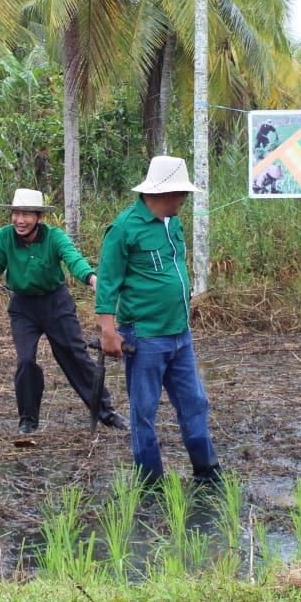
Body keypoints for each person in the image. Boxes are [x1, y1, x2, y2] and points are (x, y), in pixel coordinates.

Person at [97, 155, 221, 487]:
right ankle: (151, 482)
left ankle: (207, 473)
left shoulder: (174, 223)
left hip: (180, 334)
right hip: (145, 337)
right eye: (182, 192)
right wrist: (108, 331)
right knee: (145, 411)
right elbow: (108, 282)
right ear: (165, 192)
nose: (185, 199)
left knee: (195, 403)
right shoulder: (124, 228)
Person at [0, 189, 127, 434]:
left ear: (39, 217)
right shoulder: (2, 238)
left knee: (74, 356)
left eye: (27, 214)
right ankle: (28, 420)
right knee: (26, 360)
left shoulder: (54, 237)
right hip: (23, 307)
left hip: (56, 303)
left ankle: (106, 412)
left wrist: (91, 278)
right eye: (16, 214)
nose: (20, 220)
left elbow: (73, 259)